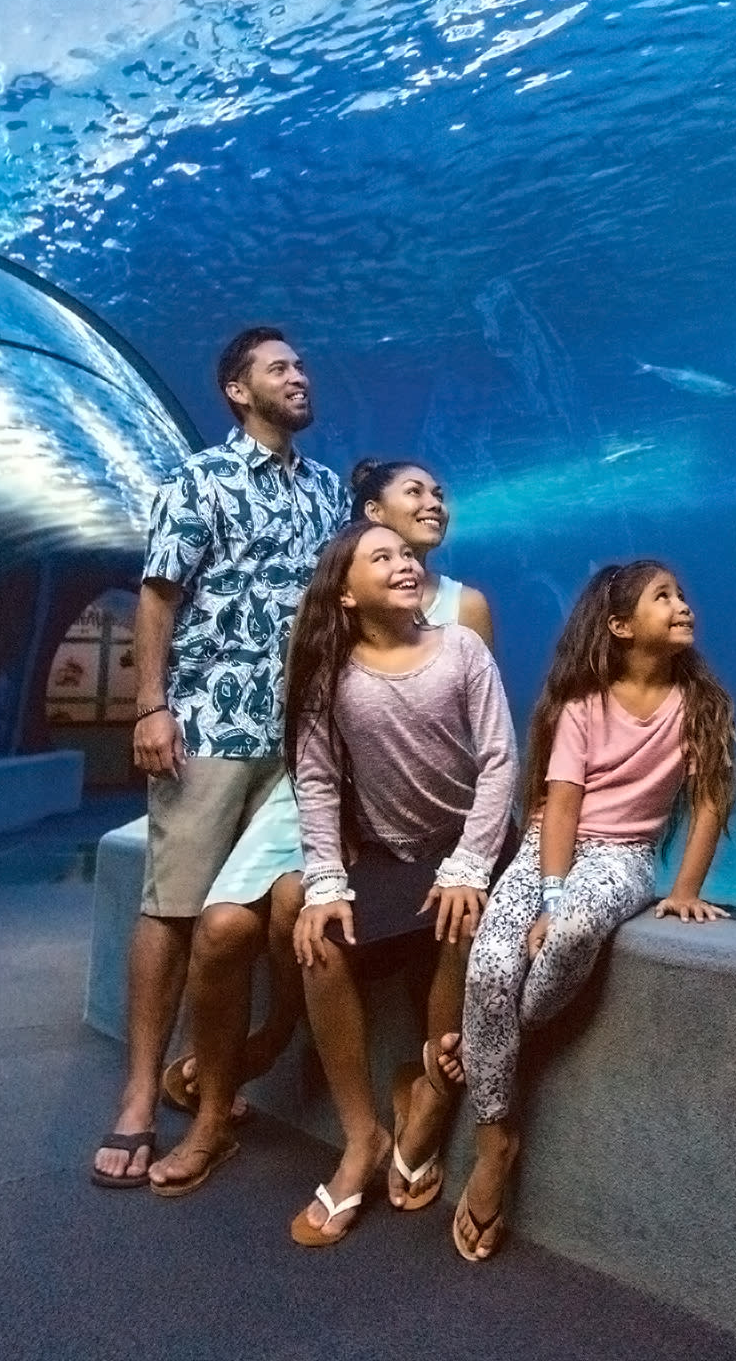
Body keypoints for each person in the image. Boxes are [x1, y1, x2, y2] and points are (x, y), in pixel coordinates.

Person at [142, 454, 491, 1199]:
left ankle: (292, 1051)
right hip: (330, 800)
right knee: (231, 926)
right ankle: (216, 1117)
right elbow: (317, 755)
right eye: (413, 493)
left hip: (415, 825)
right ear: (368, 521)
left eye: (440, 490)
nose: (433, 503)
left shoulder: (464, 618)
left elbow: (480, 744)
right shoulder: (330, 611)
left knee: (307, 909)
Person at [89, 327, 350, 1190]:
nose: (299, 377)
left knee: (259, 910)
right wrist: (151, 705)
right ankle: (134, 1098)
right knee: (172, 905)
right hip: (206, 724)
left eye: (301, 366)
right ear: (239, 390)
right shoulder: (198, 480)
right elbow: (158, 593)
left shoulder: (326, 493)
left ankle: (224, 1072)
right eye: (281, 368)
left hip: (300, 738)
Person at [444, 559, 736, 1262]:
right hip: (553, 848)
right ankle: (494, 1136)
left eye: (681, 592)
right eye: (661, 596)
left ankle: (489, 1045)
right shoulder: (581, 703)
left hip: (624, 856)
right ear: (617, 625)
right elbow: (563, 804)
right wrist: (547, 894)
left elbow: (708, 801)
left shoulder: (697, 703)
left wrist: (685, 888)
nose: (681, 603)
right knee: (489, 965)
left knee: (570, 936)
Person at [276, 519, 516, 1246]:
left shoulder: (462, 648)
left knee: (460, 921)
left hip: (472, 841)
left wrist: (470, 866)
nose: (404, 563)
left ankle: (433, 1101)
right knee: (316, 939)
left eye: (406, 554)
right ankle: (362, 1138)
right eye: (380, 557)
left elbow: (501, 761)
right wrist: (325, 883)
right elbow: (315, 779)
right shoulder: (329, 671)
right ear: (344, 595)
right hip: (389, 851)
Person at [353, 456, 494, 649]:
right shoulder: (340, 600)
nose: (435, 504)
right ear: (374, 511)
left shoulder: (466, 604)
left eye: (439, 496)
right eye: (414, 491)